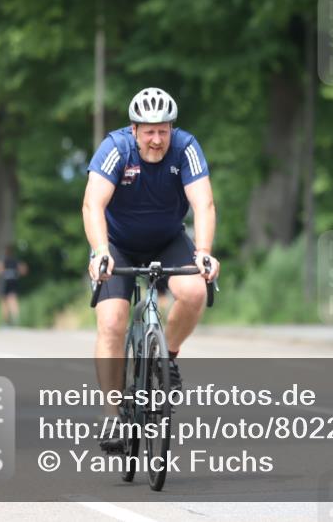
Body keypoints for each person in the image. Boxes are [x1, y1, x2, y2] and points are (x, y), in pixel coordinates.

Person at [83, 87, 220, 452]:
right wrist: (99, 252)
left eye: (163, 130)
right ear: (134, 129)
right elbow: (92, 205)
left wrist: (204, 252)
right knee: (112, 321)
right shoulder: (115, 149)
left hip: (167, 239)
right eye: (149, 131)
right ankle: (112, 415)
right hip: (118, 245)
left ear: (172, 128)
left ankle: (167, 358)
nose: (157, 139)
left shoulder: (186, 147)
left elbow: (203, 204)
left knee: (194, 291)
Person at [0, 245, 28, 327]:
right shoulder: (16, 260)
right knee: (12, 301)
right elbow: (24, 269)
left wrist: (4, 272)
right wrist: (16, 273)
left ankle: (8, 321)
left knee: (6, 302)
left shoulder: (3, 260)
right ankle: (14, 320)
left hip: (6, 282)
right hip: (13, 282)